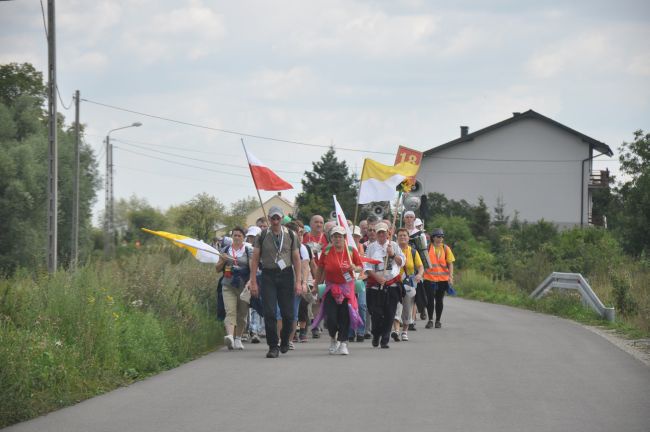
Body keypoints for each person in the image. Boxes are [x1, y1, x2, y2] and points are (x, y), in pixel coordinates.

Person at [249, 206, 302, 358]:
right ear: (269, 219)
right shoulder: (263, 235)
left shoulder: (291, 235)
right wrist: (253, 281)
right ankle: (273, 346)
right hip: (268, 275)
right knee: (270, 312)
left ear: (282, 218)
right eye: (273, 218)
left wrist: (298, 281)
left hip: (286, 275)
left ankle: (285, 339)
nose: (275, 221)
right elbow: (255, 259)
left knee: (288, 314)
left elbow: (297, 259)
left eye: (278, 218)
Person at [313, 226, 363, 355]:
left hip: (347, 288)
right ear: (331, 238)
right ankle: (333, 339)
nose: (337, 239)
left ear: (344, 238)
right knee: (331, 318)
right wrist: (316, 284)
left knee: (345, 316)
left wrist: (354, 267)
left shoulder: (351, 250)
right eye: (335, 236)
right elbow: (320, 269)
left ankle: (343, 343)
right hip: (331, 287)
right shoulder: (326, 250)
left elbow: (360, 267)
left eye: (340, 236)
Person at [364, 222, 405, 348]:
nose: (382, 234)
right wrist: (376, 277)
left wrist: (392, 254)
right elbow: (367, 266)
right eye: (379, 232)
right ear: (376, 234)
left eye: (384, 232)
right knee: (376, 314)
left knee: (389, 313)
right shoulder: (371, 247)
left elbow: (401, 262)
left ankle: (385, 340)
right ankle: (376, 334)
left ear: (388, 233)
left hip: (391, 285)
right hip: (376, 286)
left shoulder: (394, 245)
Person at [214, 227, 253, 350]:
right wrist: (223, 260)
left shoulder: (248, 251)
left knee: (242, 314)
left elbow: (252, 269)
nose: (236, 238)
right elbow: (217, 268)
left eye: (239, 236)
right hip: (228, 285)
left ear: (243, 238)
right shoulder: (225, 250)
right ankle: (230, 336)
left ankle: (238, 338)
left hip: (244, 287)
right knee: (230, 311)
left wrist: (252, 282)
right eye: (234, 235)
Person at [391, 228, 424, 341]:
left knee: (407, 308)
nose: (402, 237)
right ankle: (396, 330)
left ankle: (404, 331)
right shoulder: (393, 250)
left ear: (408, 237)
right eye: (400, 235)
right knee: (396, 306)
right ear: (397, 237)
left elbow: (420, 266)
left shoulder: (413, 252)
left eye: (405, 235)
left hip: (408, 284)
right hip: (395, 283)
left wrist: (419, 275)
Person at [422, 228, 455, 329]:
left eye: (442, 237)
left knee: (439, 300)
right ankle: (430, 320)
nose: (440, 239)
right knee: (430, 300)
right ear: (433, 238)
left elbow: (450, 263)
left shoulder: (446, 248)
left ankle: (438, 320)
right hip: (429, 278)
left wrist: (450, 276)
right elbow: (422, 263)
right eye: (438, 237)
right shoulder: (427, 248)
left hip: (442, 279)